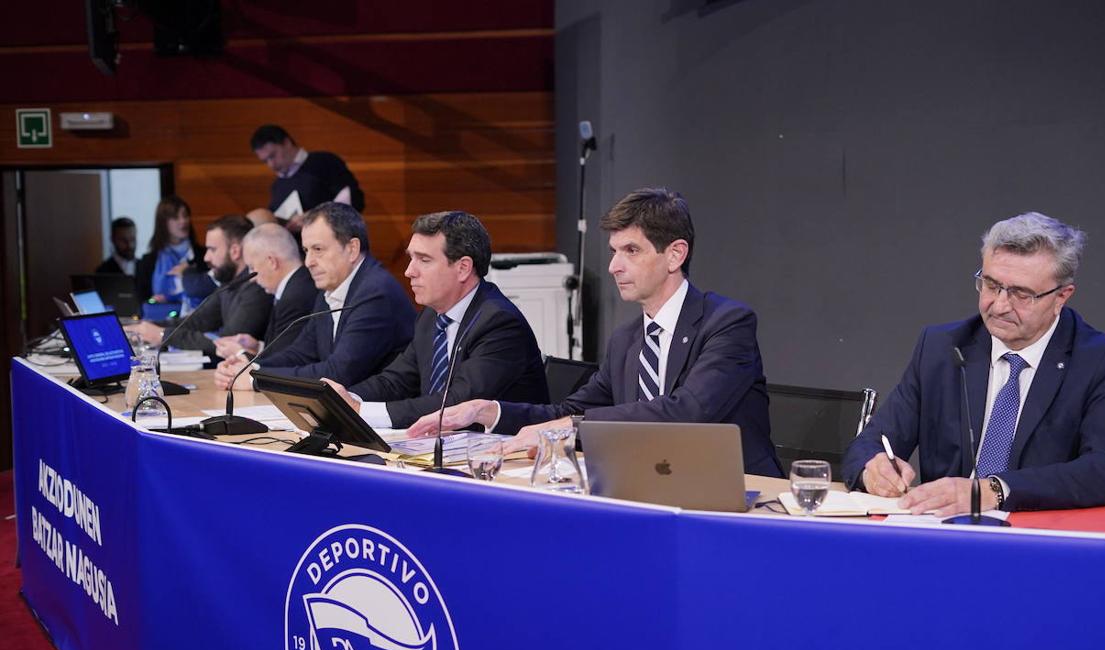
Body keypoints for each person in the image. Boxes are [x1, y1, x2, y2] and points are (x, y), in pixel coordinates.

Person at [407, 187, 781, 477]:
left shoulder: (728, 323)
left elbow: (688, 412)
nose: (615, 266)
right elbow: (570, 409)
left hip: (741, 495)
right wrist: (489, 411)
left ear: (675, 254)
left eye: (631, 250)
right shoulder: (626, 341)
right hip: (647, 485)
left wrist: (569, 427)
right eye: (614, 251)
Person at [841, 211, 1105, 515]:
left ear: (1062, 296)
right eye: (991, 285)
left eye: (1021, 294)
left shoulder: (1102, 360)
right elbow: (869, 444)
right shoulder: (942, 347)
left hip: (1037, 542)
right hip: (943, 536)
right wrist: (874, 468)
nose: (999, 305)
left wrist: (994, 490)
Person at [322, 211, 548, 428]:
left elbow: (456, 404)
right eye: (411, 258)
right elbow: (397, 380)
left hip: (509, 456)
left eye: (424, 260)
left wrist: (362, 412)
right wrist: (345, 400)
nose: (409, 271)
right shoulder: (432, 315)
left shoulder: (499, 323)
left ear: (463, 268)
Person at [214, 202, 415, 390]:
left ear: (352, 249)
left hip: (383, 416)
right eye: (306, 250)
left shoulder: (375, 292)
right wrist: (251, 367)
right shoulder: (330, 288)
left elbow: (339, 372)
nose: (309, 261)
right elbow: (302, 353)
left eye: (318, 249)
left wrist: (256, 379)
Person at [130, 215, 272, 355]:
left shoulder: (257, 288)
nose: (206, 257)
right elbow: (196, 321)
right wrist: (142, 328)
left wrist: (162, 334)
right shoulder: (230, 283)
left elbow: (226, 344)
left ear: (235, 251)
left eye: (212, 249)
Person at [213, 223, 319, 360]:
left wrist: (240, 353)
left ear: (271, 262)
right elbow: (285, 349)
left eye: (252, 267)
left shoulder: (296, 297)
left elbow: (285, 363)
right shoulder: (294, 286)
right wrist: (258, 347)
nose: (251, 278)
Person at [250, 125, 364, 233]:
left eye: (272, 155)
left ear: (286, 142)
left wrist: (315, 217)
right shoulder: (277, 186)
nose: (271, 165)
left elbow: (355, 201)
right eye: (265, 161)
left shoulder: (324, 162)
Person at [135, 195, 197, 304]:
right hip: (157, 317)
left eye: (185, 215)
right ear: (163, 223)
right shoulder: (147, 261)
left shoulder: (204, 256)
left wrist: (189, 274)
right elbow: (141, 301)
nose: (183, 221)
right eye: (175, 217)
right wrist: (154, 300)